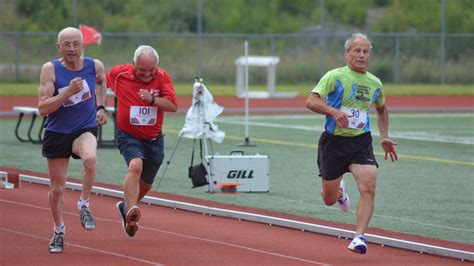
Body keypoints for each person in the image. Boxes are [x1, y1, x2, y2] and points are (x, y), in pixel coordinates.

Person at [305, 33, 398, 255]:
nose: (361, 55)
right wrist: (332, 111)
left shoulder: (375, 83)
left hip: (361, 142)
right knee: (328, 199)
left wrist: (384, 135)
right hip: (333, 144)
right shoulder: (335, 76)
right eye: (357, 51)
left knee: (369, 186)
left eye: (365, 51)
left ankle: (359, 237)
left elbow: (382, 108)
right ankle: (339, 194)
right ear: (347, 54)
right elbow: (311, 100)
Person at [38, 27, 107, 253]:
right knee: (57, 189)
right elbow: (42, 108)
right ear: (59, 47)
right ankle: (59, 230)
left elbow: (101, 81)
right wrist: (66, 92)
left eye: (76, 44)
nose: (71, 49)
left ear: (83, 46)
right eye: (66, 44)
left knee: (90, 159)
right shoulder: (51, 69)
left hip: (84, 128)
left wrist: (100, 107)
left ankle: (84, 204)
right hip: (57, 132)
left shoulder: (94, 65)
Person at [106, 45, 178, 237]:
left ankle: (126, 208)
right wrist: (97, 107)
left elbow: (172, 106)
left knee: (146, 183)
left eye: (150, 70)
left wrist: (153, 101)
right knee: (135, 165)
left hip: (154, 140)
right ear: (133, 65)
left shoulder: (162, 77)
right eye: (142, 70)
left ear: (157, 66)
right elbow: (99, 82)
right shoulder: (119, 74)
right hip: (128, 135)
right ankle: (131, 210)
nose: (147, 74)